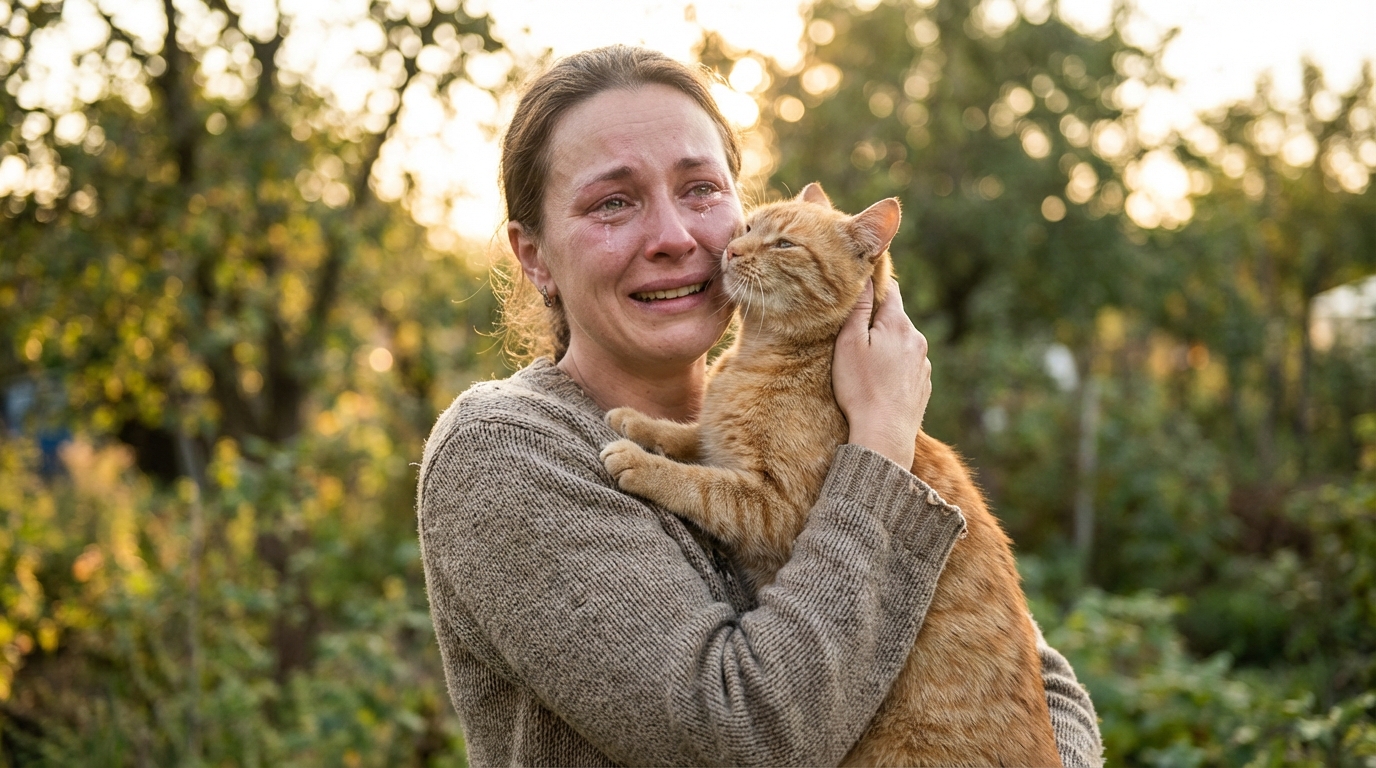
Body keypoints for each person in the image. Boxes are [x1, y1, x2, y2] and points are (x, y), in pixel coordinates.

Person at [417, 45, 1103, 767]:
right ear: (534, 257)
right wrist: (877, 452)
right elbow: (744, 737)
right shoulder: (502, 450)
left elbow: (1041, 689)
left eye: (702, 189)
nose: (677, 238)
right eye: (613, 202)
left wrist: (879, 436)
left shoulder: (831, 413)